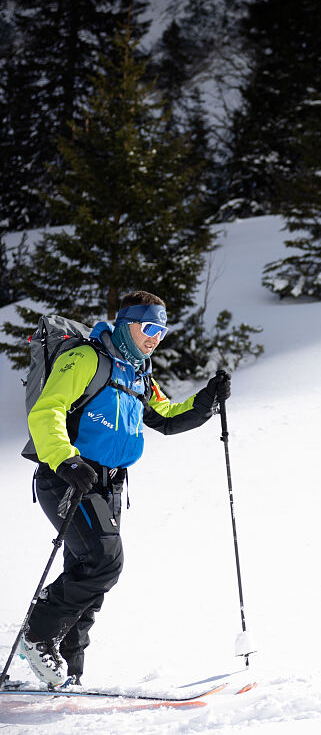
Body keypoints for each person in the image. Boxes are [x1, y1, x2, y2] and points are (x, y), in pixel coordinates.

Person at [18, 290, 232, 688]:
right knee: (104, 561)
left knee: (87, 571)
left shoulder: (137, 373)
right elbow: (46, 410)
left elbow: (166, 416)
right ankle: (38, 634)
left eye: (162, 331)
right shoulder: (85, 359)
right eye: (149, 327)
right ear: (126, 323)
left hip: (107, 483)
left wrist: (206, 401)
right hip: (68, 476)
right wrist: (66, 459)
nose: (155, 337)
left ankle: (68, 668)